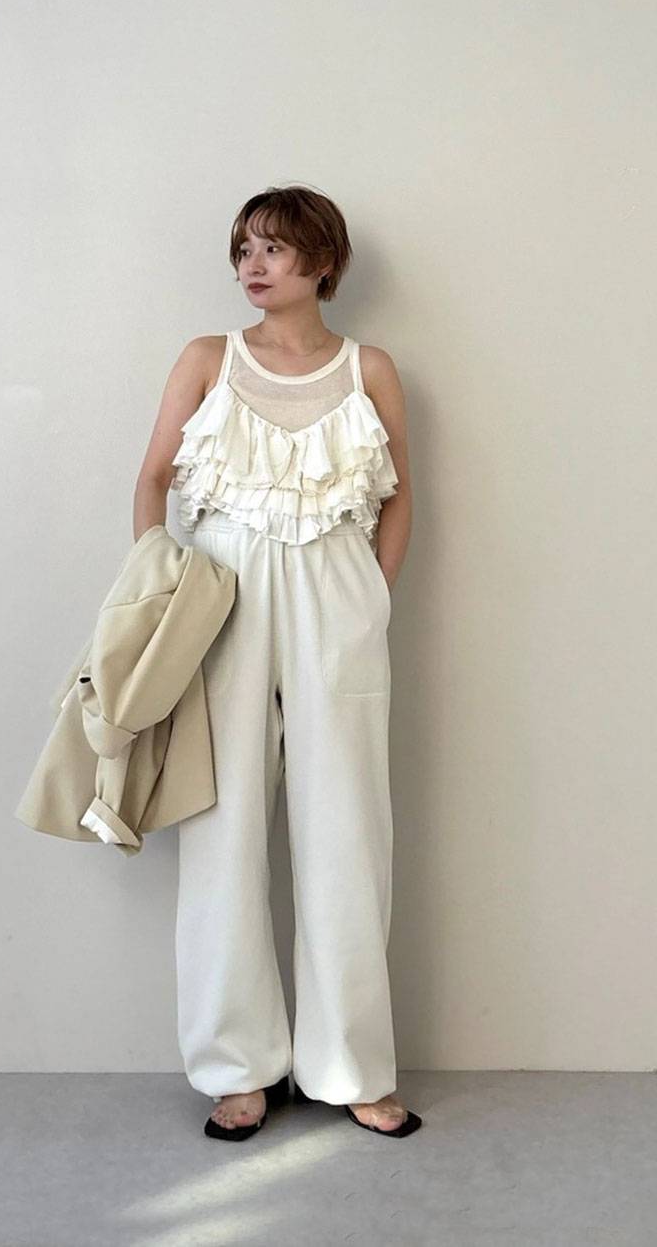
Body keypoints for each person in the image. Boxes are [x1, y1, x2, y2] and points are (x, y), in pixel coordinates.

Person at [133, 184, 419, 1140]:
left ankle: (352, 1066)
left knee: (349, 833)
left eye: (275, 249)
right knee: (222, 830)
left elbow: (401, 497)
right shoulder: (206, 358)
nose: (253, 265)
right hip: (222, 601)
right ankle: (238, 1067)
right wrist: (161, 593)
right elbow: (153, 481)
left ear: (322, 262)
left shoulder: (369, 368)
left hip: (338, 599)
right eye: (245, 248)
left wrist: (371, 602)